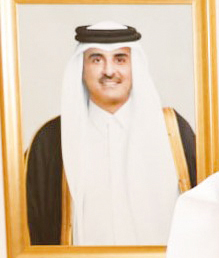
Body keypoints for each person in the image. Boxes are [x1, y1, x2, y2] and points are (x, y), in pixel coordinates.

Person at [24, 21, 197, 246]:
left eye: (120, 59)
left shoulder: (172, 131)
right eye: (96, 59)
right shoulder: (50, 140)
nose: (108, 71)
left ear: (135, 66)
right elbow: (34, 227)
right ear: (81, 68)